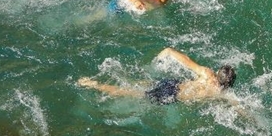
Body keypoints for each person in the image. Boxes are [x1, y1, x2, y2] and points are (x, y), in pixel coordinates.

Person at [77, 47, 236, 105]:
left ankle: (99, 82)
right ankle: (94, 85)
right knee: (131, 93)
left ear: (217, 72)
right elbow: (239, 106)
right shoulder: (219, 92)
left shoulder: (207, 73)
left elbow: (186, 60)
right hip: (170, 95)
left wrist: (168, 51)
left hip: (173, 84)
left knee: (138, 83)